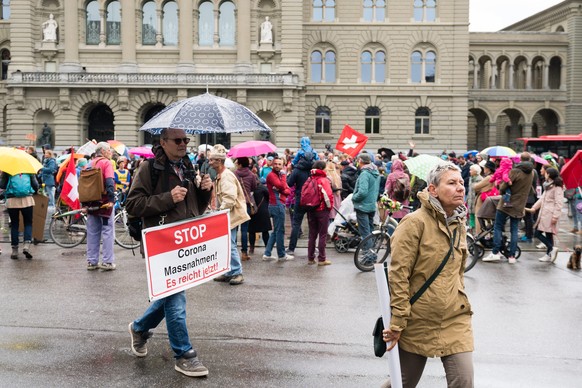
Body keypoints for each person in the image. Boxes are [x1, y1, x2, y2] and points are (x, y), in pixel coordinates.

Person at [125, 128, 213, 377]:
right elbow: (133, 205)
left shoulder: (188, 167)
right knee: (176, 296)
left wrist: (205, 189)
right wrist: (167, 197)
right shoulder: (149, 168)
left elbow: (195, 207)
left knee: (169, 293)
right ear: (163, 142)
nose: (183, 144)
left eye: (186, 140)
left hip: (185, 244)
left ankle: (140, 329)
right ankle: (184, 355)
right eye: (178, 140)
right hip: (161, 245)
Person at [382, 162, 474, 388]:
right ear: (433, 189)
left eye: (461, 182)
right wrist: (398, 320)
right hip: (417, 320)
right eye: (451, 183)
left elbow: (457, 272)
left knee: (463, 381)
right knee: (402, 383)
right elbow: (398, 275)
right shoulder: (414, 223)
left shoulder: (459, 223)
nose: (460, 188)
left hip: (455, 318)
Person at [483, 153, 534, 264]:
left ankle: (495, 252)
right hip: (519, 205)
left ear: (520, 160)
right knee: (514, 230)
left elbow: (503, 187)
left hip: (506, 203)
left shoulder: (515, 171)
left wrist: (499, 186)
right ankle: (512, 256)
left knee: (498, 226)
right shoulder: (531, 173)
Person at [209, 145, 249, 285]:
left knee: (230, 244)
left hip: (228, 215)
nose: (210, 162)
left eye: (212, 160)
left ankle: (237, 272)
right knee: (227, 244)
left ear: (219, 162)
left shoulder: (226, 176)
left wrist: (219, 212)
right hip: (227, 215)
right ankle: (230, 271)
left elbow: (230, 199)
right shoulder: (222, 175)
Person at [85, 142, 117, 271]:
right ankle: (107, 261)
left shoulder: (89, 163)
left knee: (92, 232)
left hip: (91, 201)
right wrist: (111, 199)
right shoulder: (106, 163)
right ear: (103, 151)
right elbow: (109, 181)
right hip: (104, 202)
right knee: (108, 231)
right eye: (109, 150)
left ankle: (92, 262)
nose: (111, 152)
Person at [526, 167, 564, 262]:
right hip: (545, 213)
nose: (544, 174)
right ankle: (549, 254)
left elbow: (559, 203)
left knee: (538, 233)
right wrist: (534, 208)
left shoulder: (557, 187)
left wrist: (555, 216)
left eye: (546, 173)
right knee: (548, 235)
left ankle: (551, 248)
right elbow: (542, 199)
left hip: (550, 215)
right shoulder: (548, 186)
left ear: (549, 175)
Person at [0, 171, 39, 259]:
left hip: (12, 200)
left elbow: (2, 185)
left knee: (14, 224)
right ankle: (26, 246)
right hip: (27, 199)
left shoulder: (8, 170)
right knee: (28, 223)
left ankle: (14, 250)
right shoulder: (28, 169)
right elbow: (35, 185)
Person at [263, 156, 293, 261]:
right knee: (280, 231)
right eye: (275, 163)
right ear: (272, 164)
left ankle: (267, 253)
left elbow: (288, 190)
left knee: (276, 231)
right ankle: (281, 254)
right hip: (277, 205)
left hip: (277, 204)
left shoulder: (277, 175)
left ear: (283, 165)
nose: (277, 166)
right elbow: (281, 186)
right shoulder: (272, 175)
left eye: (279, 164)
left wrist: (282, 189)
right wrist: (283, 179)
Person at [352, 152, 380, 261]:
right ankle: (371, 254)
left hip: (363, 206)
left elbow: (362, 192)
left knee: (365, 234)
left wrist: (354, 197)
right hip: (371, 206)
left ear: (360, 161)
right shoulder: (375, 172)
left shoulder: (365, 173)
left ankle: (370, 257)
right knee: (370, 232)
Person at [306, 160, 334, 265]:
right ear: (322, 168)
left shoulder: (310, 178)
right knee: (322, 235)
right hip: (322, 210)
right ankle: (322, 259)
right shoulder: (323, 180)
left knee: (312, 234)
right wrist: (329, 207)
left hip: (310, 209)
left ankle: (310, 258)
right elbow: (328, 195)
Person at [234, 156, 257, 261]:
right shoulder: (252, 175)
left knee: (234, 228)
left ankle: (233, 252)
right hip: (246, 204)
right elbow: (254, 188)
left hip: (236, 203)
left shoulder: (234, 174)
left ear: (239, 164)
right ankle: (244, 253)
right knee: (244, 230)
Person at [248, 181, 272, 254]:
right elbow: (268, 197)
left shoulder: (248, 189)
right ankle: (267, 248)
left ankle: (251, 248)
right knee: (265, 231)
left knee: (251, 231)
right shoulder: (263, 188)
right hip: (263, 210)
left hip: (252, 211)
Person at [466, 164, 483, 233]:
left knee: (477, 216)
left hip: (477, 201)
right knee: (471, 216)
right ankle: (471, 231)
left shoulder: (480, 179)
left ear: (476, 171)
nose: (470, 171)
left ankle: (477, 232)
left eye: (471, 170)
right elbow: (469, 191)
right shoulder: (471, 178)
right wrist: (467, 200)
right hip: (470, 201)